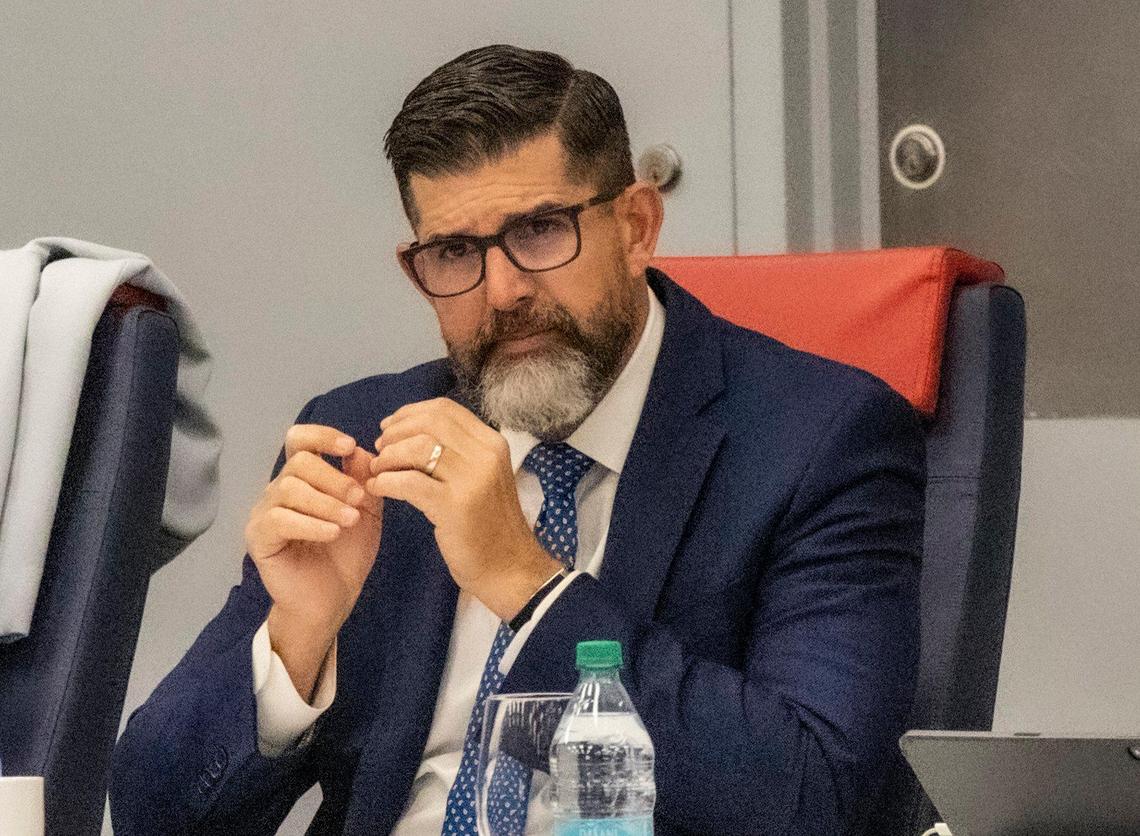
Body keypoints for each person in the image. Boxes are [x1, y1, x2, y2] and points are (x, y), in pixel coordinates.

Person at [110, 44, 925, 835]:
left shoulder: (822, 440)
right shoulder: (367, 436)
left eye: (540, 230)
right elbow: (151, 815)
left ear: (637, 226)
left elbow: (816, 799)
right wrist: (296, 639)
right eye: (455, 252)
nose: (503, 291)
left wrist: (530, 588)